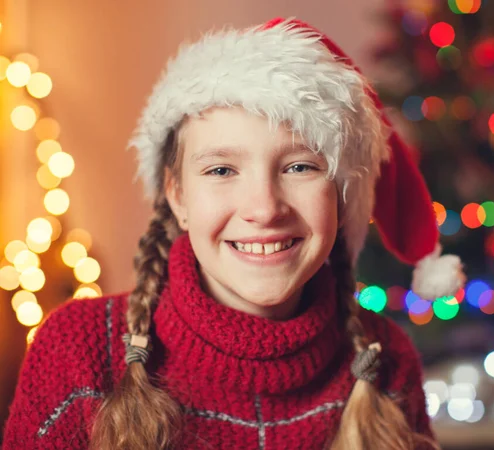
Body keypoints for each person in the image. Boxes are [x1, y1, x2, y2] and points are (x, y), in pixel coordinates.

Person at [2, 17, 464, 450]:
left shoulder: (387, 362)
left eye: (300, 166)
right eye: (222, 169)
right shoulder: (78, 354)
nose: (264, 209)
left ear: (341, 197)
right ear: (177, 195)